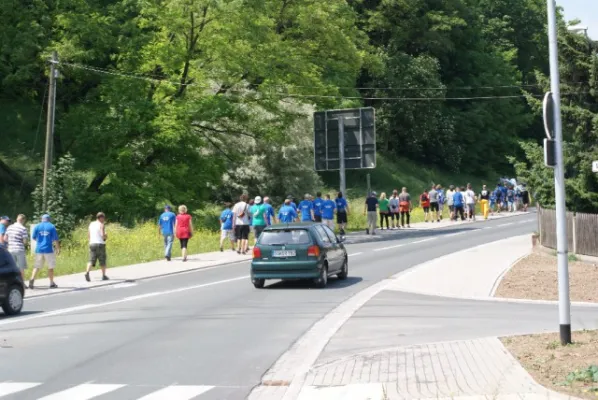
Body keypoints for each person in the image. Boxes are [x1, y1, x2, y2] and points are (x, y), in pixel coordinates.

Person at [29, 214, 60, 289]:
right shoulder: (51, 226)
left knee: (37, 266)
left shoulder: (37, 226)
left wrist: (40, 242)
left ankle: (32, 279)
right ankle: (51, 283)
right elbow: (56, 239)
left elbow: (33, 237)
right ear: (49, 219)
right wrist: (58, 249)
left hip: (39, 249)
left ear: (42, 219)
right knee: (50, 267)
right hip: (48, 249)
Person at [85, 212, 109, 282]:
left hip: (92, 244)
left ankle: (87, 273)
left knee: (91, 260)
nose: (104, 219)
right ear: (101, 218)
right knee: (102, 260)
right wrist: (105, 236)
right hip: (100, 244)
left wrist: (90, 242)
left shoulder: (91, 224)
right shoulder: (101, 225)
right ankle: (104, 276)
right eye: (103, 218)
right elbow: (102, 235)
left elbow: (88, 235)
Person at [5, 214, 28, 280]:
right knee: (21, 267)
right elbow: (25, 241)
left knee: (12, 267)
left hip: (10, 249)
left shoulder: (9, 227)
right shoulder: (23, 228)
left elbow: (5, 238)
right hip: (19, 249)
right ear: (23, 220)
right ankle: (22, 283)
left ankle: (12, 282)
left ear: (17, 219)